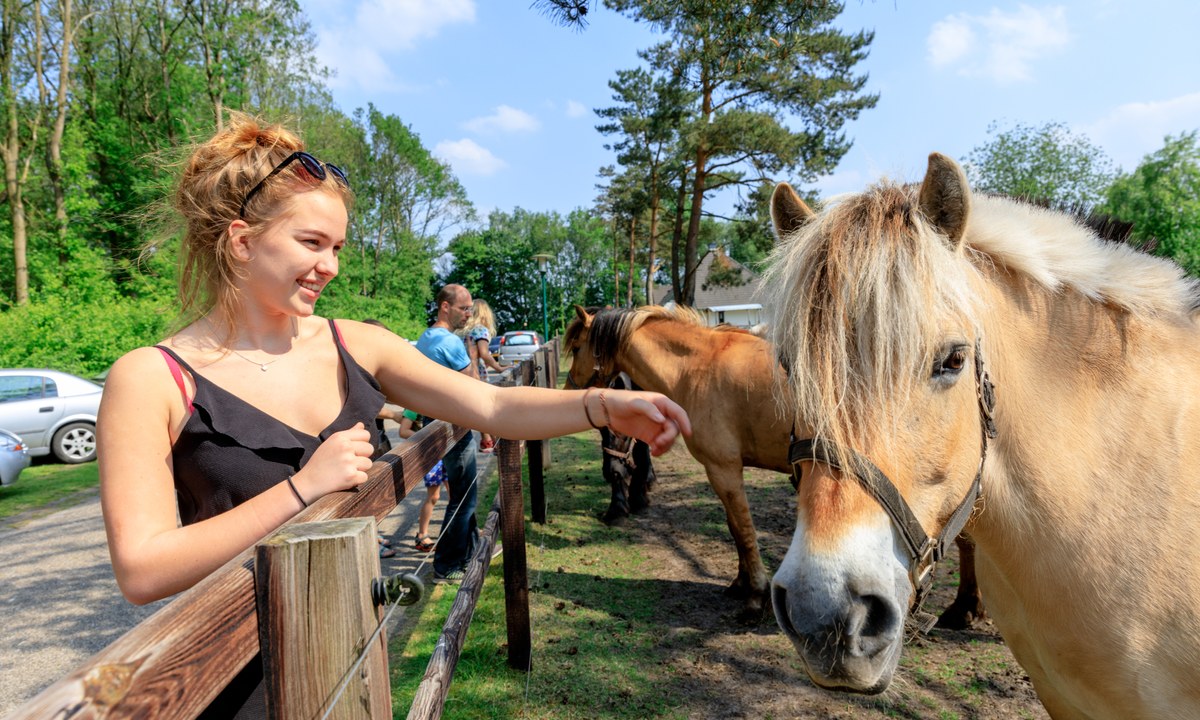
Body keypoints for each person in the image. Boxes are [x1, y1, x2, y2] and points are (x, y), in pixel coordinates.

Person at [97, 115, 689, 714]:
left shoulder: (357, 342)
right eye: (311, 243)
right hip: (239, 680)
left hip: (354, 653)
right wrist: (305, 488)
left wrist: (602, 405)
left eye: (337, 248)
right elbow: (143, 569)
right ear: (243, 240)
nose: (330, 266)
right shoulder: (151, 378)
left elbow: (492, 403)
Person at [415, 284, 484, 583]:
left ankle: (470, 550)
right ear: (445, 307)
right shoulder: (451, 343)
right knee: (464, 496)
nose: (468, 314)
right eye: (463, 308)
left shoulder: (425, 339)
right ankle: (446, 563)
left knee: (462, 492)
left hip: (437, 425)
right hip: (456, 428)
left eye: (469, 308)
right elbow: (472, 388)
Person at [459, 298, 510, 452]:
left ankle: (486, 440)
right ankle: (492, 441)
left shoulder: (461, 331)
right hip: (476, 373)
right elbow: (484, 354)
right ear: (486, 314)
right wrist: (499, 367)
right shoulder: (480, 330)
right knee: (487, 407)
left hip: (461, 372)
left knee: (474, 408)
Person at [397, 409, 442, 552]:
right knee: (434, 496)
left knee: (457, 493)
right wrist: (428, 438)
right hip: (430, 455)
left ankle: (469, 529)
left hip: (446, 451)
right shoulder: (413, 407)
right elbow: (403, 431)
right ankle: (422, 534)